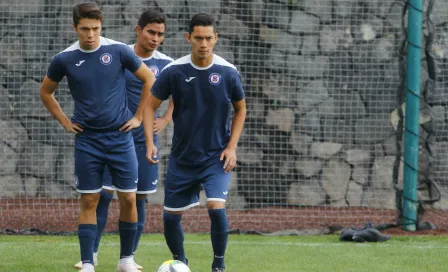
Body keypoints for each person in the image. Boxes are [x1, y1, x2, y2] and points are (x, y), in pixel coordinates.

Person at [39, 3, 155, 272]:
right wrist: (65, 122)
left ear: (101, 27)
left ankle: (126, 260)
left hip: (120, 139)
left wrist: (138, 117)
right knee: (89, 200)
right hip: (88, 141)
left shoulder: (118, 50)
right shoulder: (64, 59)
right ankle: (88, 263)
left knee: (128, 198)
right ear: (74, 28)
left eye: (95, 29)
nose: (90, 34)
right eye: (84, 29)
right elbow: (46, 92)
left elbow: (150, 80)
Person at [142, 13, 247, 272]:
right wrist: (150, 142)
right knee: (169, 218)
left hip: (216, 157)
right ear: (189, 38)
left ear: (216, 39)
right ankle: (180, 262)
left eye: (209, 38)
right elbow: (149, 106)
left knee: (215, 208)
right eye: (198, 38)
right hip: (182, 158)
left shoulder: (228, 72)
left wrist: (232, 147)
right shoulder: (174, 71)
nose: (203, 43)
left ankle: (218, 265)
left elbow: (241, 109)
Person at [73, 9, 174, 271]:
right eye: (151, 32)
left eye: (160, 34)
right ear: (138, 30)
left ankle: (128, 258)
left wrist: (165, 119)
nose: (155, 38)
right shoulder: (119, 55)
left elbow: (178, 93)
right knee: (103, 196)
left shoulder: (166, 64)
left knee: (136, 199)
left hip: (143, 142)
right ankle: (91, 255)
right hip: (113, 137)